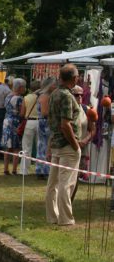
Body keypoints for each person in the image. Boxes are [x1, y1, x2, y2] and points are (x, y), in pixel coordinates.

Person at [46, 64, 82, 226]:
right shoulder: (67, 96)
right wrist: (75, 145)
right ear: (74, 78)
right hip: (67, 145)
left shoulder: (54, 93)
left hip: (56, 143)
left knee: (53, 183)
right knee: (65, 184)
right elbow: (65, 125)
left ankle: (52, 216)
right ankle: (65, 219)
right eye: (77, 76)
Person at [1, 78, 26, 175]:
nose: (24, 89)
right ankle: (14, 169)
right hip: (15, 122)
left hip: (6, 121)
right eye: (24, 87)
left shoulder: (8, 97)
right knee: (16, 147)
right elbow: (21, 113)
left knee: (7, 147)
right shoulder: (19, 98)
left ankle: (5, 169)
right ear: (20, 88)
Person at [36, 77, 56, 180]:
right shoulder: (45, 96)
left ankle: (41, 169)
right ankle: (44, 170)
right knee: (46, 146)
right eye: (53, 84)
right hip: (46, 123)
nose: (55, 86)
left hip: (42, 123)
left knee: (42, 145)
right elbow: (44, 112)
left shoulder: (42, 95)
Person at [20, 80, 41, 175]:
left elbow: (22, 113)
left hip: (29, 122)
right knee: (40, 147)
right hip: (40, 122)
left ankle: (24, 170)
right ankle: (39, 169)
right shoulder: (42, 98)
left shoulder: (26, 98)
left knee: (26, 147)